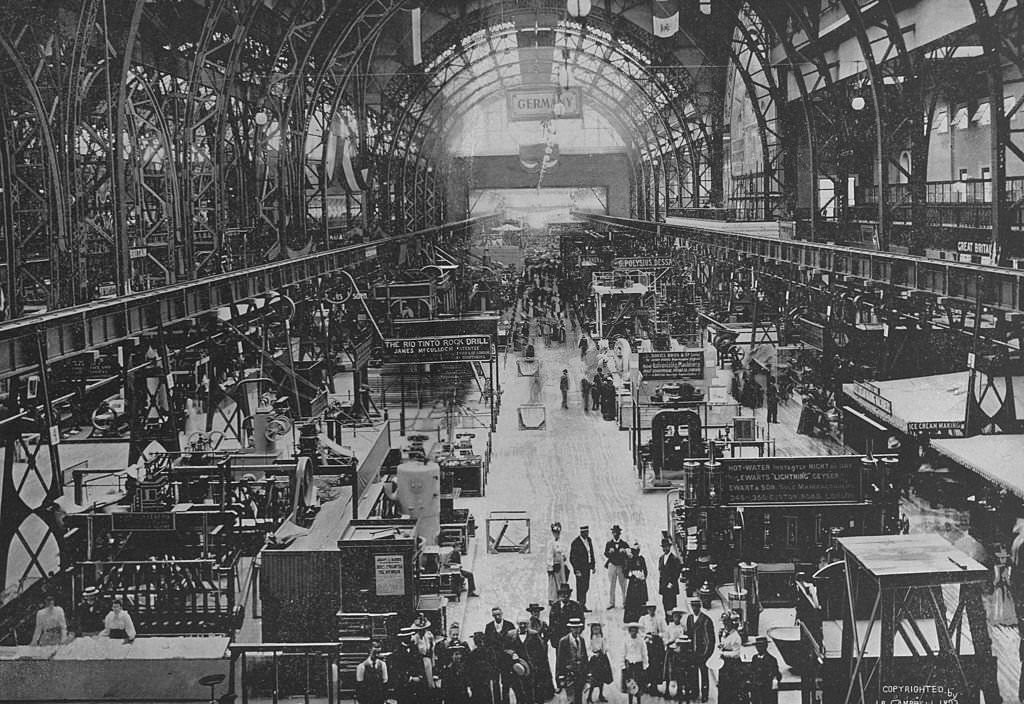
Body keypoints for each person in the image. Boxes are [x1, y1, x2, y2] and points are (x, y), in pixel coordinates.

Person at [686, 596, 715, 702]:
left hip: (702, 652)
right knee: (693, 673)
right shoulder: (689, 618)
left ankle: (705, 694)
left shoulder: (706, 620)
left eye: (696, 606)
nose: (694, 608)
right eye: (693, 606)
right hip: (692, 652)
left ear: (700, 606)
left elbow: (711, 639)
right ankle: (694, 692)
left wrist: (707, 654)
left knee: (703, 673)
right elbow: (688, 634)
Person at [485, 607, 516, 704]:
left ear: (502, 614)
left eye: (499, 614)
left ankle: (506, 701)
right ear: (492, 616)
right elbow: (487, 643)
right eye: (495, 615)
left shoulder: (509, 625)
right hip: (494, 660)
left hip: (506, 659)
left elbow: (514, 642)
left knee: (506, 682)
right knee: (495, 682)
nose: (497, 617)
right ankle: (497, 701)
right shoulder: (489, 626)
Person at [524, 606, 556, 702]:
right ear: (531, 613)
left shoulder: (542, 623)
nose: (536, 614)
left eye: (537, 612)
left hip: (541, 651)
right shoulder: (527, 624)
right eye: (534, 612)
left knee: (543, 671)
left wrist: (543, 641)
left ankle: (545, 693)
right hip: (530, 650)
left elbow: (549, 633)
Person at [555, 617, 589, 704]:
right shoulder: (564, 641)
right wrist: (560, 676)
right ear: (570, 628)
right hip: (569, 675)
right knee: (570, 699)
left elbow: (585, 657)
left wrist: (587, 674)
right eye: (574, 628)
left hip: (580, 674)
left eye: (578, 628)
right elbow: (560, 660)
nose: (576, 630)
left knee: (579, 698)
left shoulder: (581, 640)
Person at [638, 602, 665, 695]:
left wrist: (657, 635)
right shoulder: (643, 619)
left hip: (656, 644)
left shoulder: (659, 619)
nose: (651, 610)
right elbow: (639, 632)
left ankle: (654, 686)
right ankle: (645, 685)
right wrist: (646, 636)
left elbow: (663, 631)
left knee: (656, 665)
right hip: (646, 644)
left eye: (653, 608)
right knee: (645, 664)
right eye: (649, 609)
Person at [717, 611, 743, 704]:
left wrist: (724, 653)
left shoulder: (736, 637)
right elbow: (724, 643)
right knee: (723, 688)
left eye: (726, 623)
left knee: (731, 688)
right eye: (724, 623)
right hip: (724, 664)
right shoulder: (725, 633)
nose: (725, 625)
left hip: (733, 665)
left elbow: (736, 653)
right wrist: (721, 645)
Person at [748, 635, 781, 704]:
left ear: (766, 646)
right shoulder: (754, 658)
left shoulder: (772, 660)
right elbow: (751, 671)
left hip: (767, 690)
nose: (759, 648)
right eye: (757, 646)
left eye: (761, 646)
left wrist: (775, 680)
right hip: (756, 690)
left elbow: (777, 674)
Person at [549, 583, 585, 647]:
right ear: (559, 595)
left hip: (572, 640)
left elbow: (582, 622)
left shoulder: (576, 606)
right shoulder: (555, 607)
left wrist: (576, 635)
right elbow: (551, 625)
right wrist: (553, 640)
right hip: (559, 641)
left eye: (567, 594)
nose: (565, 596)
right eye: (563, 594)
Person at [570, 525, 596, 612]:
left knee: (586, 586)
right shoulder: (575, 543)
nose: (587, 534)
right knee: (580, 587)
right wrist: (576, 569)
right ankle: (580, 605)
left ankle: (583, 603)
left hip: (587, 567)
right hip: (580, 569)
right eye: (585, 532)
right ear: (581, 533)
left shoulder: (589, 540)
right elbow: (572, 558)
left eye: (588, 532)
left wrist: (593, 565)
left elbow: (591, 553)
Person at [466, 631, 497, 704]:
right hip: (478, 682)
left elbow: (494, 665)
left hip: (483, 681)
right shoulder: (473, 654)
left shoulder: (488, 652)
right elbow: (469, 669)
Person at [622, 622, 649, 704]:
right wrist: (622, 666)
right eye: (631, 631)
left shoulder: (640, 641)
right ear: (629, 631)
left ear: (637, 631)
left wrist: (645, 664)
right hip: (629, 664)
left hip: (638, 664)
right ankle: (630, 701)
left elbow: (644, 653)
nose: (633, 632)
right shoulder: (626, 640)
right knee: (630, 684)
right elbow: (622, 653)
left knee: (639, 684)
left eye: (635, 631)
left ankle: (638, 701)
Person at [586, 622, 613, 703]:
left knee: (602, 678)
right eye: (594, 629)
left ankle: (601, 694)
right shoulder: (590, 638)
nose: (596, 631)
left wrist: (604, 650)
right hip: (594, 660)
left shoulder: (602, 637)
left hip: (602, 659)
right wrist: (593, 654)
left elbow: (606, 647)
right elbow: (588, 649)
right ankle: (589, 697)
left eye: (598, 629)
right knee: (593, 680)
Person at [604, 525, 629, 609]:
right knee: (612, 585)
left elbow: (629, 554)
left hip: (621, 566)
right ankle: (611, 603)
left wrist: (624, 551)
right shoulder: (609, 543)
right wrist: (609, 552)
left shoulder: (624, 544)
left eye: (617, 533)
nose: (615, 534)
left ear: (619, 533)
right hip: (612, 565)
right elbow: (605, 553)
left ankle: (625, 602)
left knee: (623, 585)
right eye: (614, 532)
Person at [623, 543, 649, 623]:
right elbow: (625, 572)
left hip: (641, 584)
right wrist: (632, 575)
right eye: (634, 551)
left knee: (641, 600)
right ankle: (631, 618)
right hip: (633, 584)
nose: (635, 553)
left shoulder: (641, 559)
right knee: (632, 601)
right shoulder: (629, 560)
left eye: (636, 551)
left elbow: (645, 570)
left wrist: (642, 576)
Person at [657, 539, 682, 618]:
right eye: (663, 547)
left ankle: (672, 620)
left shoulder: (674, 559)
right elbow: (661, 571)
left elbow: (677, 573)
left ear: (670, 547)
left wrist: (671, 583)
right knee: (665, 603)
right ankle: (667, 619)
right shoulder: (661, 558)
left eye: (666, 547)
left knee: (671, 604)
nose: (665, 549)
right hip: (664, 586)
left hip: (671, 586)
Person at [412, 614, 437, 690]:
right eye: (420, 630)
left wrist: (433, 662)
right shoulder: (415, 638)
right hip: (420, 660)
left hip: (428, 659)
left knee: (430, 681)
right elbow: (414, 653)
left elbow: (432, 649)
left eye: (424, 629)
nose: (422, 631)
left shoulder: (429, 635)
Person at [547, 522, 570, 603]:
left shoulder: (562, 542)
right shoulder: (551, 543)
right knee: (554, 582)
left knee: (562, 580)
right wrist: (551, 565)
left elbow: (564, 552)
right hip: (555, 564)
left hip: (561, 564)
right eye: (555, 532)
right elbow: (549, 555)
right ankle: (553, 599)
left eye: (557, 533)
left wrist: (564, 557)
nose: (556, 534)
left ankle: (562, 597)